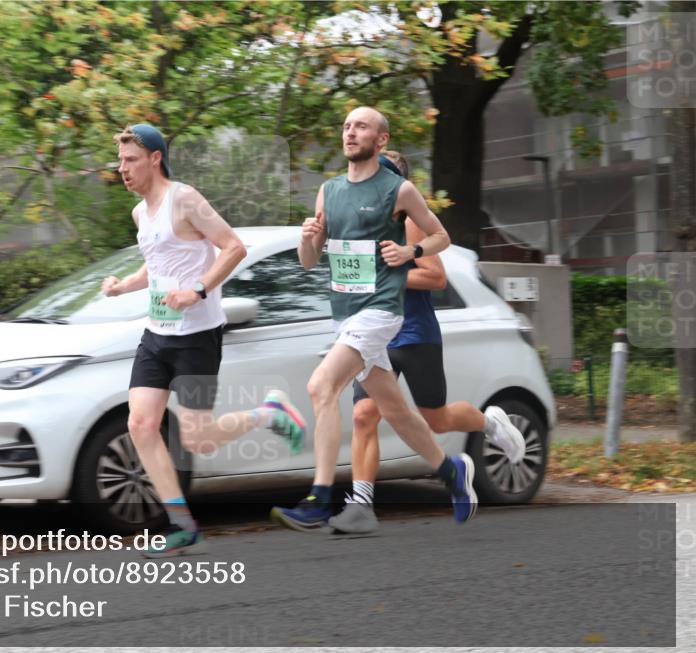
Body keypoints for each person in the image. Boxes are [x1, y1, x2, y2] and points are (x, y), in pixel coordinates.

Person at [103, 124, 306, 557]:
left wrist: (196, 291)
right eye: (120, 161)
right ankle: (181, 524)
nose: (122, 169)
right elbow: (156, 265)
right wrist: (125, 286)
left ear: (155, 158)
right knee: (140, 425)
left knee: (197, 440)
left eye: (131, 160)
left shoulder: (186, 199)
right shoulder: (141, 213)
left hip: (196, 337)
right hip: (157, 335)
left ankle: (269, 413)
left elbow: (233, 247)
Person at [271, 107, 477, 532]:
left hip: (382, 310)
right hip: (344, 313)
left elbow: (441, 236)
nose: (350, 132)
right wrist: (307, 240)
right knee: (395, 409)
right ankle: (450, 472)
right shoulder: (329, 191)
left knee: (321, 386)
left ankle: (320, 497)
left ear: (380, 140)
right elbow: (309, 263)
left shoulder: (398, 190)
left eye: (360, 126)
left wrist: (410, 253)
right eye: (346, 126)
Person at [321, 150, 527, 535]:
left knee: (435, 418)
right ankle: (361, 504)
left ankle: (489, 421)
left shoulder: (411, 223)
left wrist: (388, 271)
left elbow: (434, 278)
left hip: (412, 332)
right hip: (371, 333)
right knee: (365, 414)